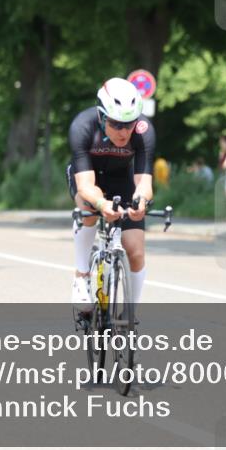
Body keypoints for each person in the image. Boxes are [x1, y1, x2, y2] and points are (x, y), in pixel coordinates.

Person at [66, 77, 155, 308]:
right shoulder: (82, 126)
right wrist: (101, 204)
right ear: (101, 116)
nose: (124, 132)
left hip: (121, 179)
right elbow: (86, 185)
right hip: (87, 176)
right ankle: (81, 275)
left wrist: (141, 201)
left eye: (129, 124)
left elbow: (144, 182)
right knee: (88, 208)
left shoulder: (143, 131)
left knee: (136, 252)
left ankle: (130, 314)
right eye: (116, 124)